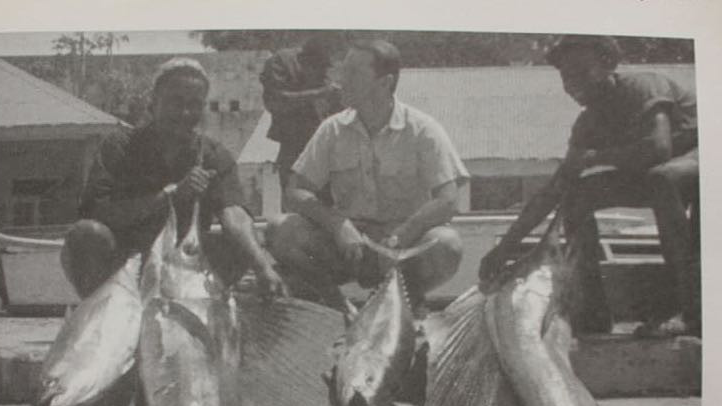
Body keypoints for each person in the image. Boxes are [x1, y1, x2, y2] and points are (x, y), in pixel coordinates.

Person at [478, 35, 700, 337]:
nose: (573, 83)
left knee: (663, 179)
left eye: (582, 72)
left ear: (609, 65)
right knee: (577, 195)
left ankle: (690, 309)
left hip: (703, 163)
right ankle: (593, 312)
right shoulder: (587, 124)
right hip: (657, 176)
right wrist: (505, 248)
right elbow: (553, 191)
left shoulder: (642, 86)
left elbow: (658, 149)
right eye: (566, 77)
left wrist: (596, 157)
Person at [265, 39, 468, 312]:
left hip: (402, 249)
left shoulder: (423, 129)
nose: (340, 81)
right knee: (280, 229)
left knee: (447, 245)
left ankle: (403, 308)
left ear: (384, 83)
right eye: (342, 71)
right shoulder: (332, 129)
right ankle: (339, 308)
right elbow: (295, 191)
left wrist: (400, 237)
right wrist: (338, 225)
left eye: (353, 73)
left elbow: (448, 200)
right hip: (349, 247)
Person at [61, 57, 286, 299]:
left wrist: (263, 267)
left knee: (242, 243)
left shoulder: (213, 155)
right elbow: (96, 213)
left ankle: (201, 305)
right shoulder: (119, 146)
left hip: (184, 263)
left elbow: (235, 215)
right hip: (124, 261)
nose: (184, 112)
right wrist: (169, 196)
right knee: (87, 234)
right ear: (153, 103)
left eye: (194, 104)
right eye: (175, 102)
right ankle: (103, 309)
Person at [260, 34, 343, 196]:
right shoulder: (282, 62)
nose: (323, 73)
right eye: (318, 67)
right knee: (297, 201)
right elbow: (275, 101)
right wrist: (319, 93)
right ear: (306, 60)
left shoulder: (324, 75)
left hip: (327, 152)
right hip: (294, 148)